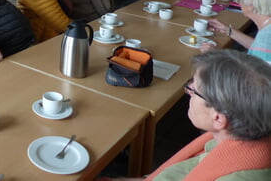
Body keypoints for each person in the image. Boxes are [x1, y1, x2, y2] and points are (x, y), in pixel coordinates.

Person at [99, 50, 271, 181]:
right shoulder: (239, 143)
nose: (187, 91)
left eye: (194, 90)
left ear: (218, 118)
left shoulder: (237, 172)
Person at [200, 0, 271, 62]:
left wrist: (215, 55)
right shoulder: (267, 28)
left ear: (251, 5)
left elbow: (248, 74)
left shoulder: (266, 39)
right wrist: (229, 31)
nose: (238, 3)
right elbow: (256, 47)